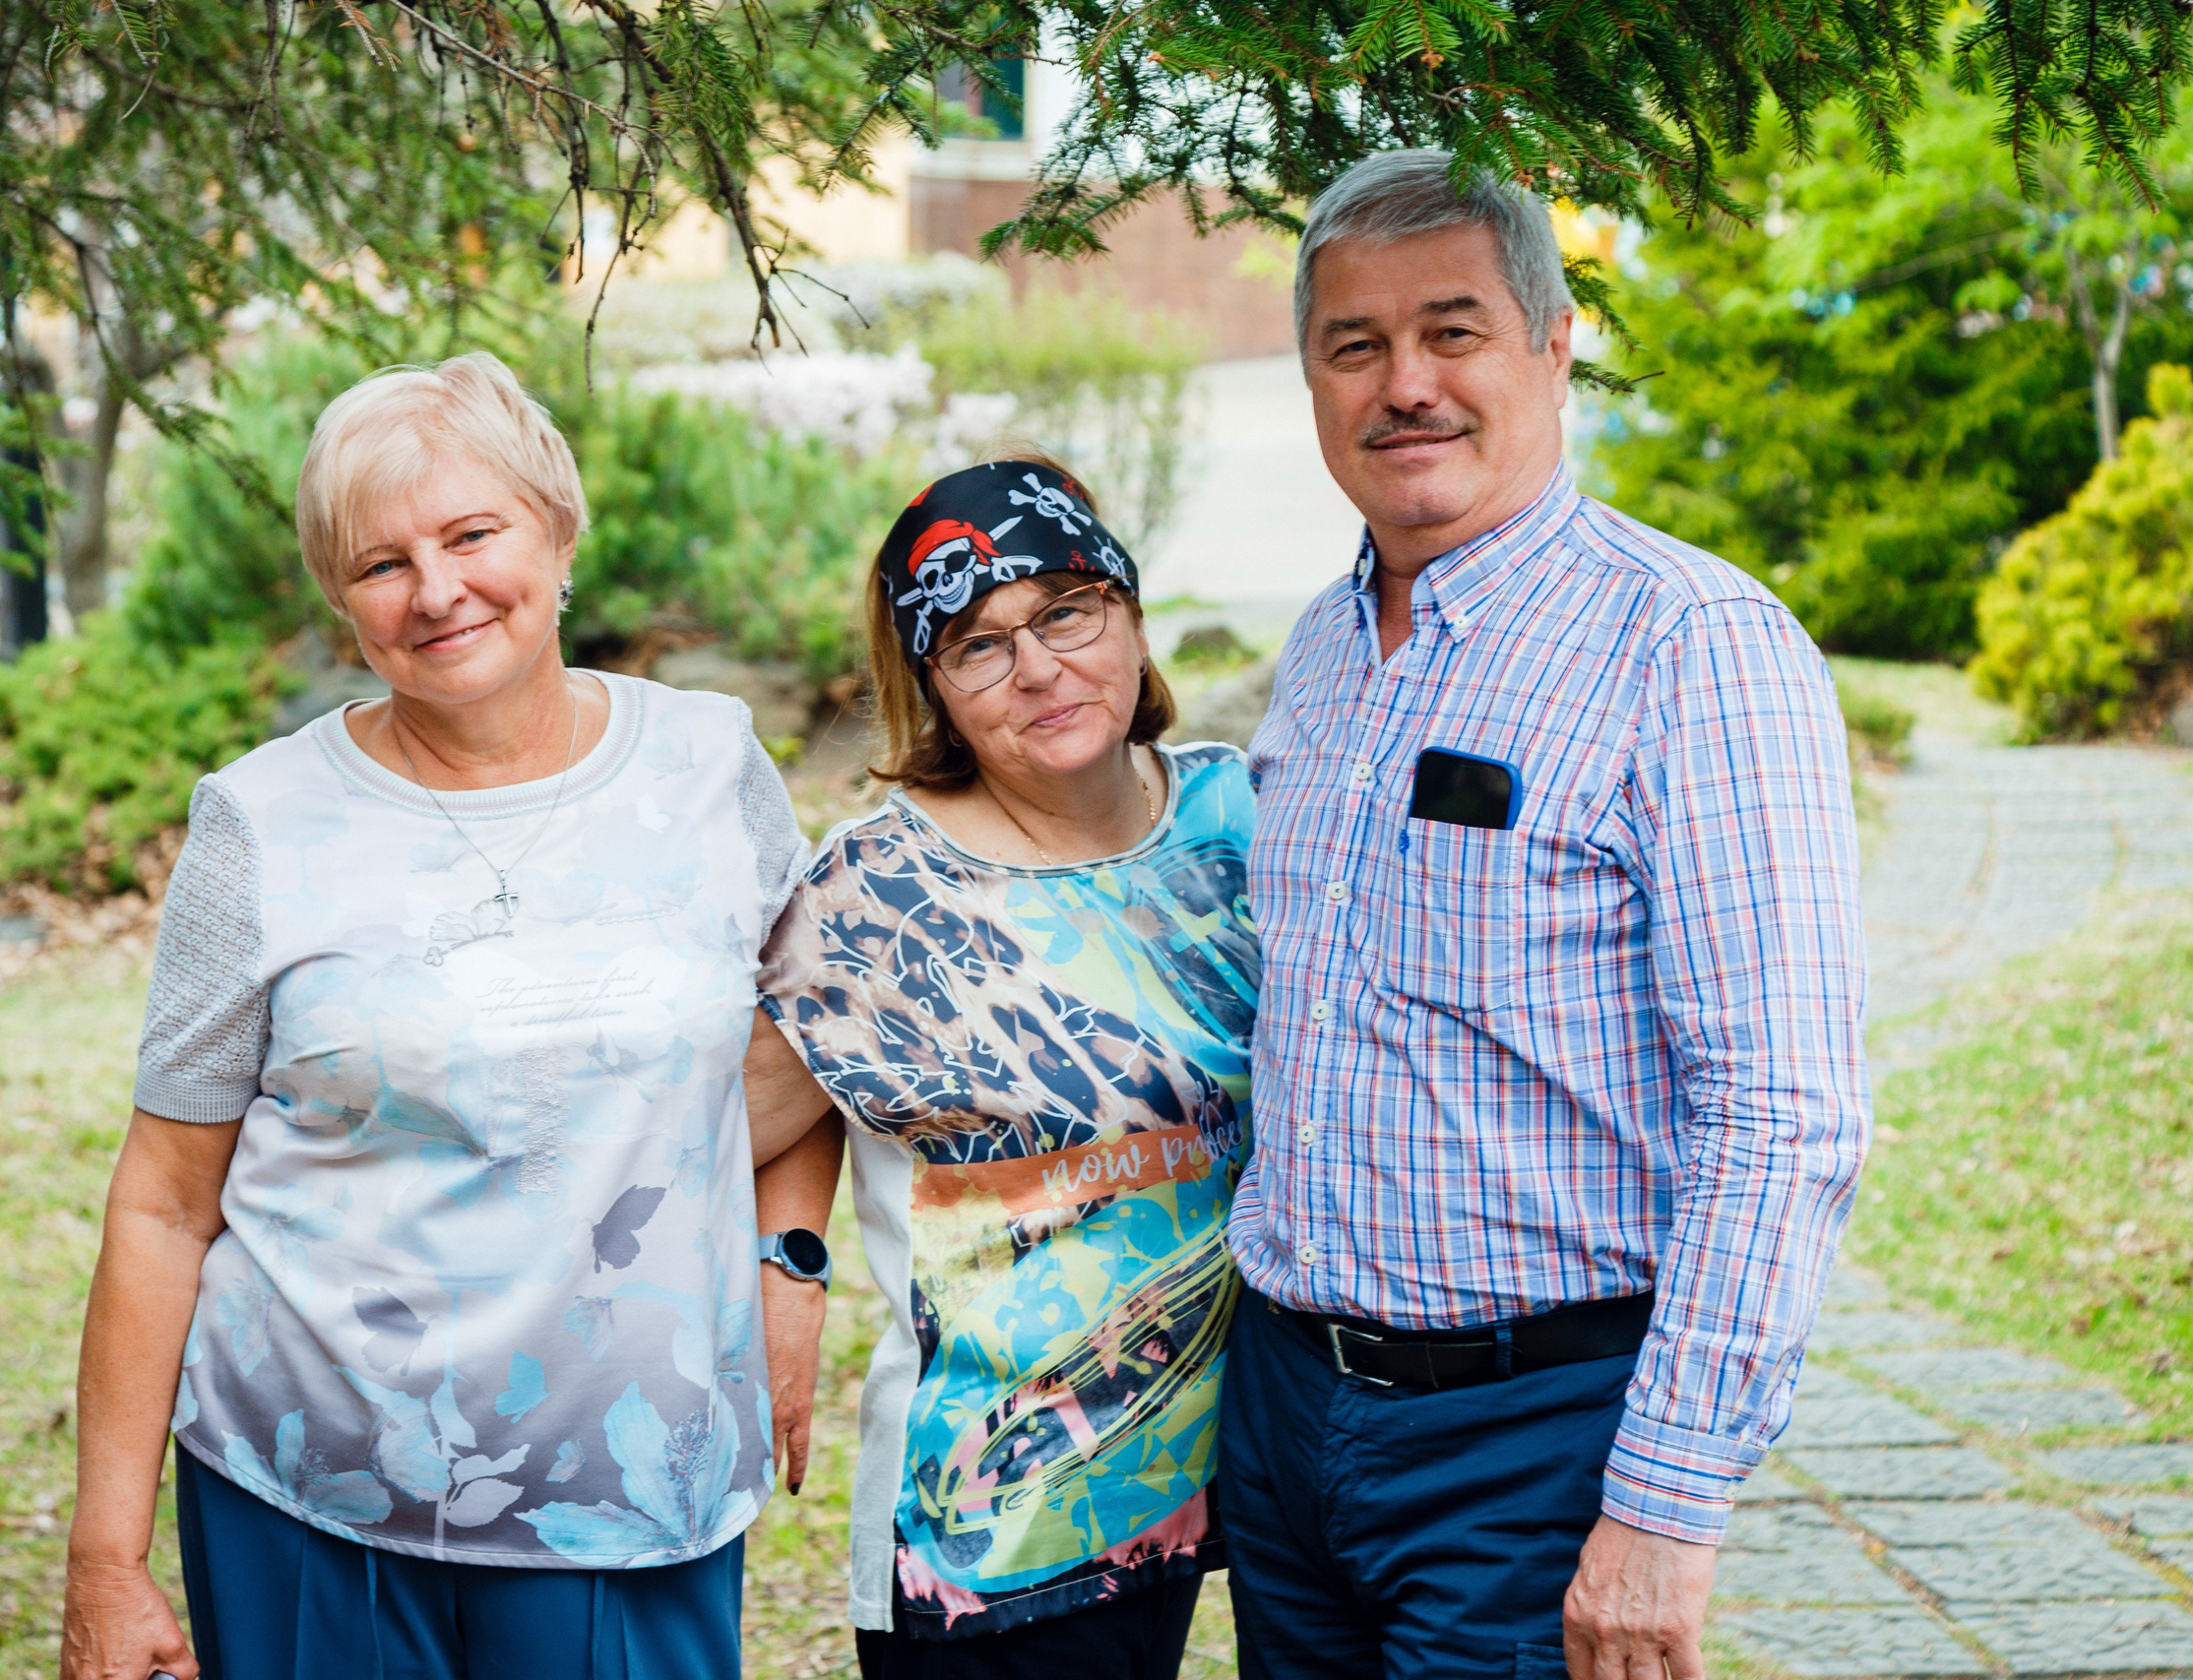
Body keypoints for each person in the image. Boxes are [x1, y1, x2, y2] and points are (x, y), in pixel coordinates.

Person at [59, 351, 809, 1680]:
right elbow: (165, 1200)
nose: (439, 589)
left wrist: (788, 1261)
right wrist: (106, 1562)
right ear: (340, 599)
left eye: (473, 532)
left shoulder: (711, 763)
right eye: (381, 562)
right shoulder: (260, 823)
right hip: (307, 1487)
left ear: (560, 527)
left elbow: (799, 1053)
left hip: (632, 1485)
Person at [1219, 150, 1868, 1680]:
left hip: (1533, 1447)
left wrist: (1666, 1503)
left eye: (1454, 331)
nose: (1406, 386)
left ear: (1553, 345)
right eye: (1354, 344)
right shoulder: (1320, 653)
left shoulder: (1696, 646)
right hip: (1286, 1417)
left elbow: (1783, 1108)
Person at [746, 456, 1262, 1680]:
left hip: (1242, 1475)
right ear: (931, 686)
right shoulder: (872, 896)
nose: (1038, 669)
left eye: (1065, 612)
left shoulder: (1241, 817)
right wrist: (787, 1259)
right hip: (994, 1532)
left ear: (1131, 616)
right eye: (976, 646)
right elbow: (728, 1122)